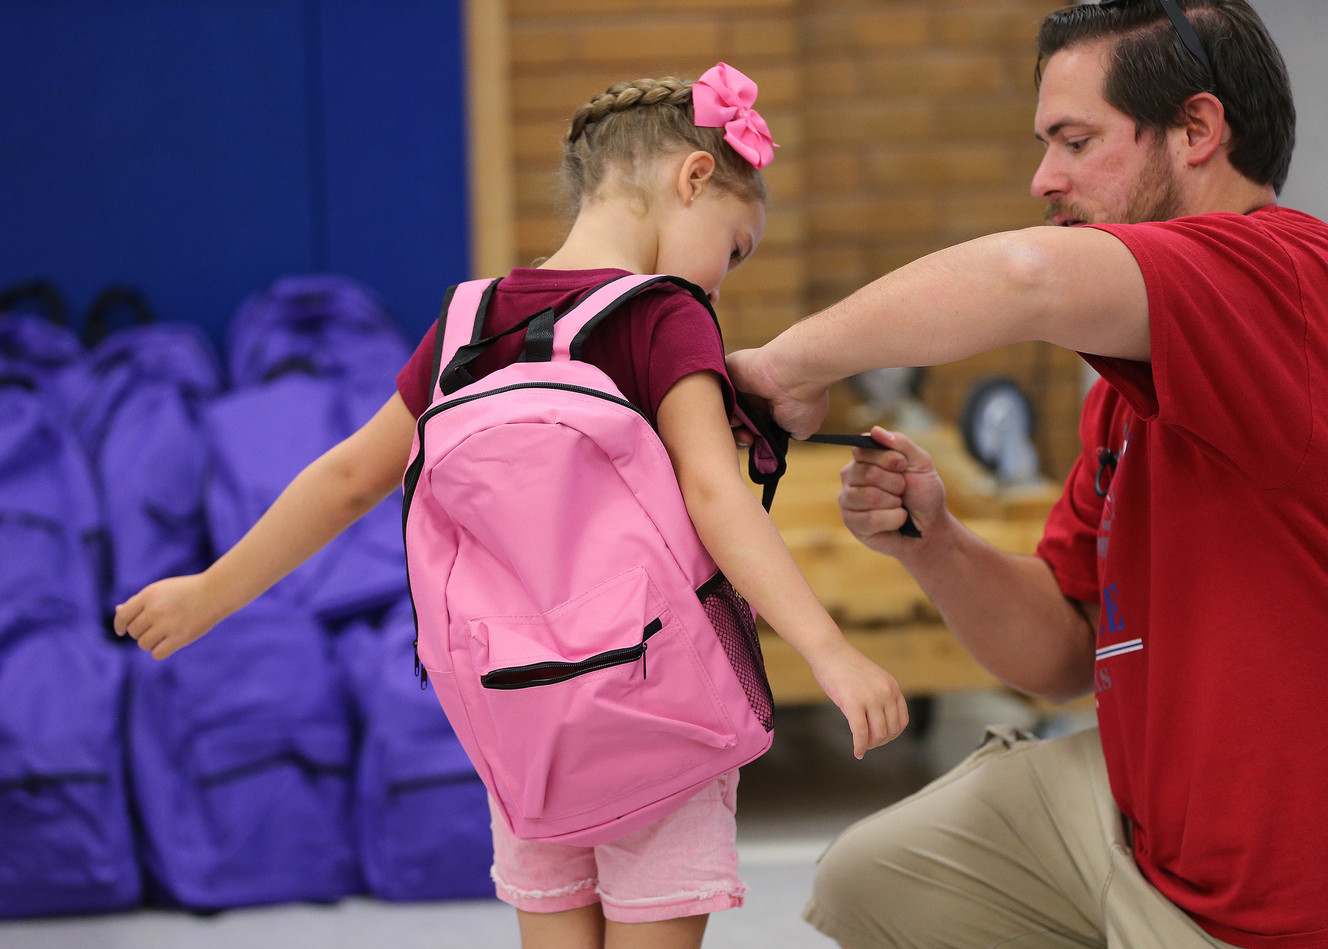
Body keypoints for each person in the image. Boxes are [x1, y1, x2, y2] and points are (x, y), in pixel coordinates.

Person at [113, 62, 908, 949]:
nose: (722, 282)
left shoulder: (466, 323)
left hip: (520, 712)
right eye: (733, 248)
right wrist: (832, 653)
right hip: (659, 711)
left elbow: (348, 478)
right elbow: (716, 495)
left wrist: (210, 591)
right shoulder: (665, 315)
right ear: (692, 181)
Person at [726, 1, 1328, 946]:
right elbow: (1060, 652)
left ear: (1198, 130)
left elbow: (1024, 277)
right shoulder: (1122, 393)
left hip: (1270, 901)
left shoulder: (1286, 275)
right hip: (1138, 822)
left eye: (1075, 140)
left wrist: (783, 366)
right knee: (872, 877)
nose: (1044, 176)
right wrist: (937, 543)